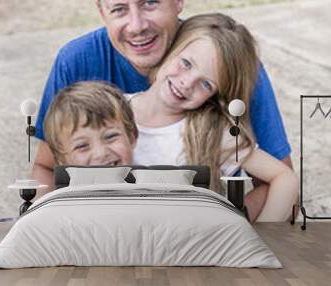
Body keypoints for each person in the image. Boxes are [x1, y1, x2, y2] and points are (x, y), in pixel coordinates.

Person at [32, 0, 293, 219]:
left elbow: (282, 181)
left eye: (150, 1)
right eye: (119, 8)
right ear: (102, 10)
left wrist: (229, 227)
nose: (137, 26)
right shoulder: (105, 99)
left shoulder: (228, 70)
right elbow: (49, 165)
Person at [125, 13, 298, 221]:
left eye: (206, 84)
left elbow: (285, 179)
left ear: (214, 96)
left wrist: (262, 239)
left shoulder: (210, 133)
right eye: (186, 63)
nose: (187, 83)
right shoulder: (110, 111)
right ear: (172, 48)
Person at [44, 81, 138, 167]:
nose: (100, 153)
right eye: (82, 146)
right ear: (61, 160)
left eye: (111, 136)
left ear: (132, 136)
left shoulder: (150, 183)